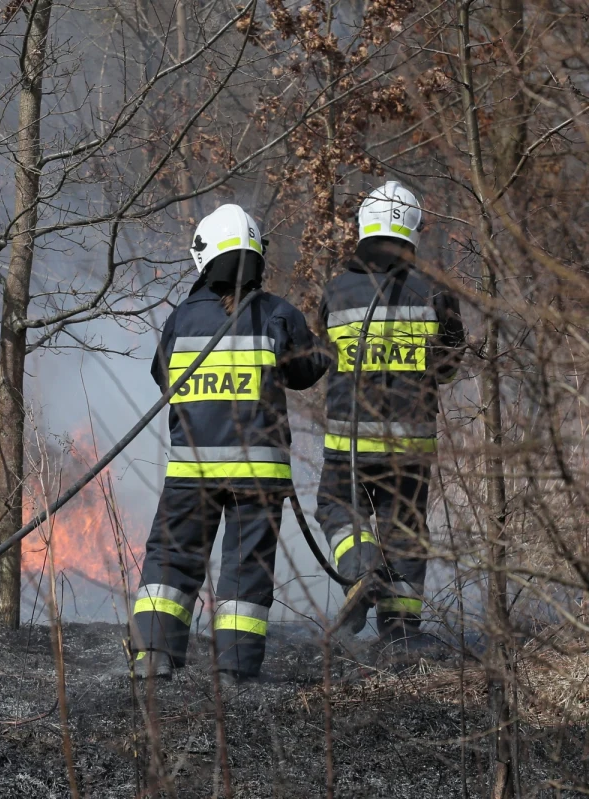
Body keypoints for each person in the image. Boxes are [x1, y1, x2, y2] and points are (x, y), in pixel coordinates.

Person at [130, 203, 331, 682]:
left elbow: (163, 377)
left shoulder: (180, 319)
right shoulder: (278, 314)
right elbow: (305, 372)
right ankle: (234, 671)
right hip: (256, 475)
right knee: (246, 568)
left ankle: (153, 656)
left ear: (203, 256)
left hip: (191, 472)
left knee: (171, 561)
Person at [314, 181, 465, 644]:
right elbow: (448, 369)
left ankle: (361, 571)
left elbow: (322, 358)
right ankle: (400, 636)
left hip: (348, 445)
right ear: (413, 231)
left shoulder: (336, 292)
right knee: (404, 531)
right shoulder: (434, 292)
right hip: (410, 447)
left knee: (338, 510)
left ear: (363, 227)